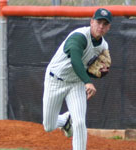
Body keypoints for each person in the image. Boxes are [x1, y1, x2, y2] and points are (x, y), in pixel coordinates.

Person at [42, 8, 112, 150]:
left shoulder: (103, 46)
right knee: (48, 126)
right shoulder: (79, 36)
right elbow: (75, 61)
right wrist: (88, 81)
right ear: (91, 22)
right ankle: (65, 120)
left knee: (79, 123)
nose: (101, 26)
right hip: (56, 80)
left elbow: (90, 69)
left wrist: (98, 73)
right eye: (99, 22)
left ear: (109, 27)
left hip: (76, 83)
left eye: (105, 24)